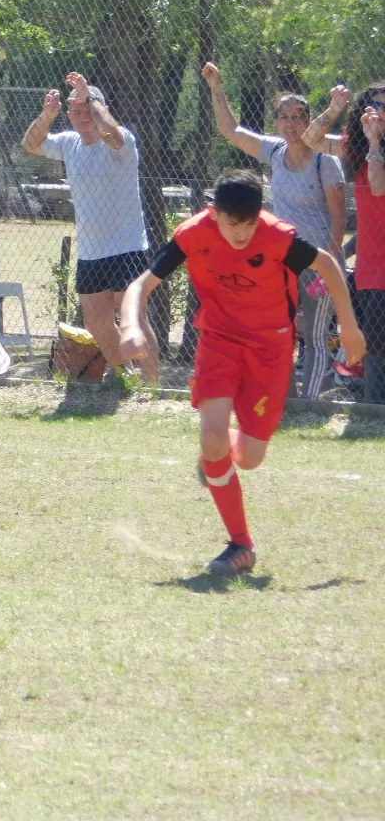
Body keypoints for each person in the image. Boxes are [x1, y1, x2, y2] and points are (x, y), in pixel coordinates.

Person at [118, 170, 364, 575]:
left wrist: (349, 327)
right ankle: (241, 545)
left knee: (247, 458)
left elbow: (328, 267)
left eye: (249, 224)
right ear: (215, 214)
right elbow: (141, 285)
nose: (242, 233)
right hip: (218, 340)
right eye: (233, 224)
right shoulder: (195, 233)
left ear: (259, 215)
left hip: (271, 346)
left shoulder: (277, 237)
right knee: (212, 438)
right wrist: (129, 326)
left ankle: (216, 456)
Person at [201, 62, 346, 398]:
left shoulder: (326, 160)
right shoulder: (275, 150)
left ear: (309, 121)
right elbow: (231, 131)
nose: (291, 124)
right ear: (276, 122)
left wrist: (332, 266)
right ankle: (287, 400)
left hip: (317, 263)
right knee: (279, 332)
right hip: (281, 261)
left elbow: (339, 218)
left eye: (298, 117)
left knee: (314, 334)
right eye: (284, 117)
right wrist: (216, 87)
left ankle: (308, 405)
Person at [23, 71, 157, 385]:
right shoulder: (69, 143)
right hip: (91, 252)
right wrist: (46, 115)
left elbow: (109, 132)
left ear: (101, 107)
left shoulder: (120, 140)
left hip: (127, 247)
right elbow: (31, 144)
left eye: (90, 109)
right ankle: (127, 377)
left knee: (133, 319)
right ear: (69, 116)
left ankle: (153, 388)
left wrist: (91, 98)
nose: (85, 117)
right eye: (78, 112)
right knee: (96, 322)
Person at [303, 82, 385, 402]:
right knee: (375, 342)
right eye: (374, 104)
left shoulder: (371, 146)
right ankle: (375, 407)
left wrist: (375, 141)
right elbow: (310, 140)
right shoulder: (357, 147)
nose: (379, 111)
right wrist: (334, 107)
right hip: (372, 264)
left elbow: (377, 187)